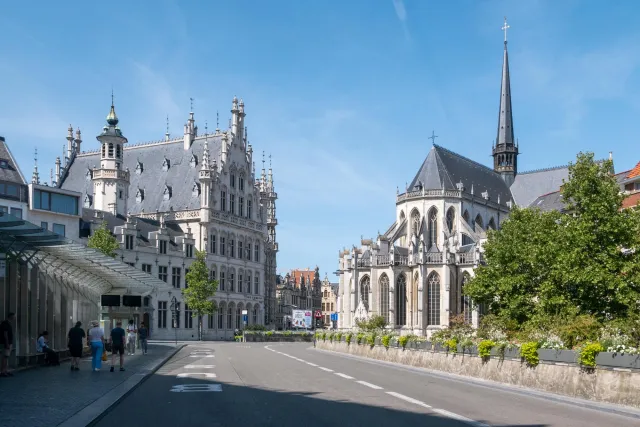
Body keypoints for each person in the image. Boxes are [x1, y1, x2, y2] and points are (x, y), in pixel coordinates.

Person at [0, 312, 15, 377]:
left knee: (7, 356)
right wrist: (7, 343)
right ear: (11, 316)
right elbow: (5, 334)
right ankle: (3, 371)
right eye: (14, 316)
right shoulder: (5, 323)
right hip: (7, 342)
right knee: (5, 356)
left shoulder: (8, 323)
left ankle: (5, 370)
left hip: (9, 342)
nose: (14, 317)